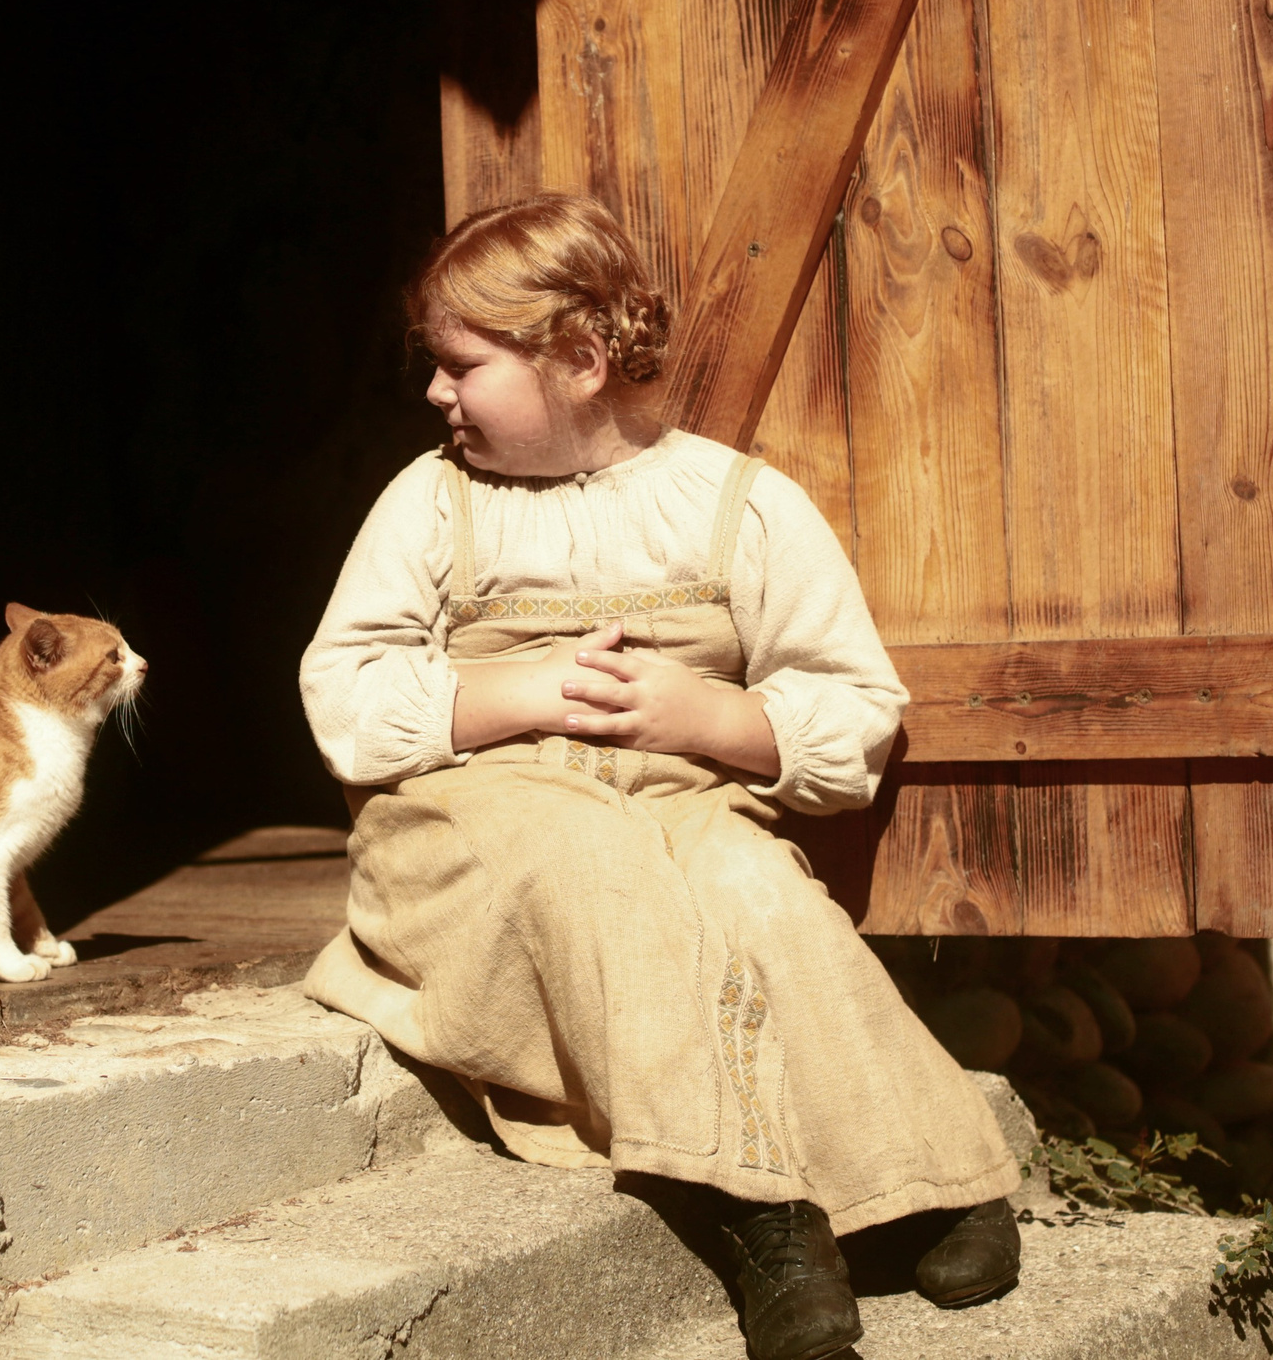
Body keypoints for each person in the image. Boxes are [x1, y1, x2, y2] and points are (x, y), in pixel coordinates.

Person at [298, 192, 1023, 1360]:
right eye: (435, 367)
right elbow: (344, 696)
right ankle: (758, 1213)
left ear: (579, 360)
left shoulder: (737, 503)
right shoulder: (429, 504)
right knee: (601, 877)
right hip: (476, 821)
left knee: (759, 895)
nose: (437, 394)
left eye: (464, 367)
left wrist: (714, 716)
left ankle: (934, 1177)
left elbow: (852, 706)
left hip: (682, 798)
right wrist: (521, 696)